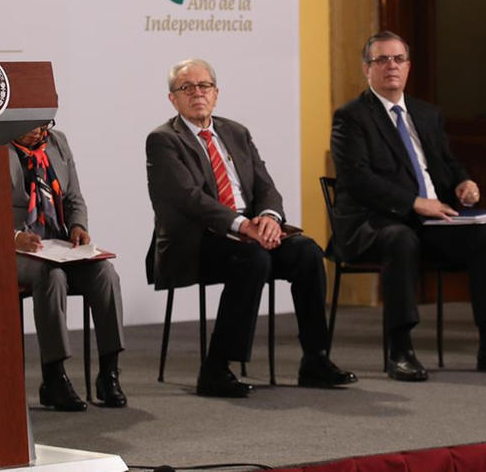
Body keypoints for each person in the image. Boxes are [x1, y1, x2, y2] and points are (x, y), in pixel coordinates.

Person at [145, 58, 356, 398]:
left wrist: (269, 218)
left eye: (204, 86)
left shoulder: (236, 133)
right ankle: (215, 369)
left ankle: (315, 360)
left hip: (250, 233)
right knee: (252, 258)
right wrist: (244, 226)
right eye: (187, 87)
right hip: (196, 241)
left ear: (216, 93)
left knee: (306, 252)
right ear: (173, 98)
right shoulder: (163, 140)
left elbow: (265, 186)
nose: (197, 93)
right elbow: (188, 199)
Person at [330, 31, 486, 381]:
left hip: (430, 222)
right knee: (401, 239)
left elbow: (447, 163)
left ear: (408, 67)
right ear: (367, 68)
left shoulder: (426, 114)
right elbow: (358, 180)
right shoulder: (351, 117)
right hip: (375, 223)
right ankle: (400, 350)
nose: (391, 66)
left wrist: (463, 183)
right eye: (381, 59)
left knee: (485, 237)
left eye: (398, 59)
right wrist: (415, 202)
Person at [11, 123, 126, 411]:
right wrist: (14, 237)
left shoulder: (57, 142)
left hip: (57, 243)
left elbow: (74, 198)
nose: (39, 131)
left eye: (45, 124)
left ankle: (109, 373)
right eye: (32, 124)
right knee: (52, 276)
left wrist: (77, 226)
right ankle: (54, 377)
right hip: (16, 248)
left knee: (105, 274)